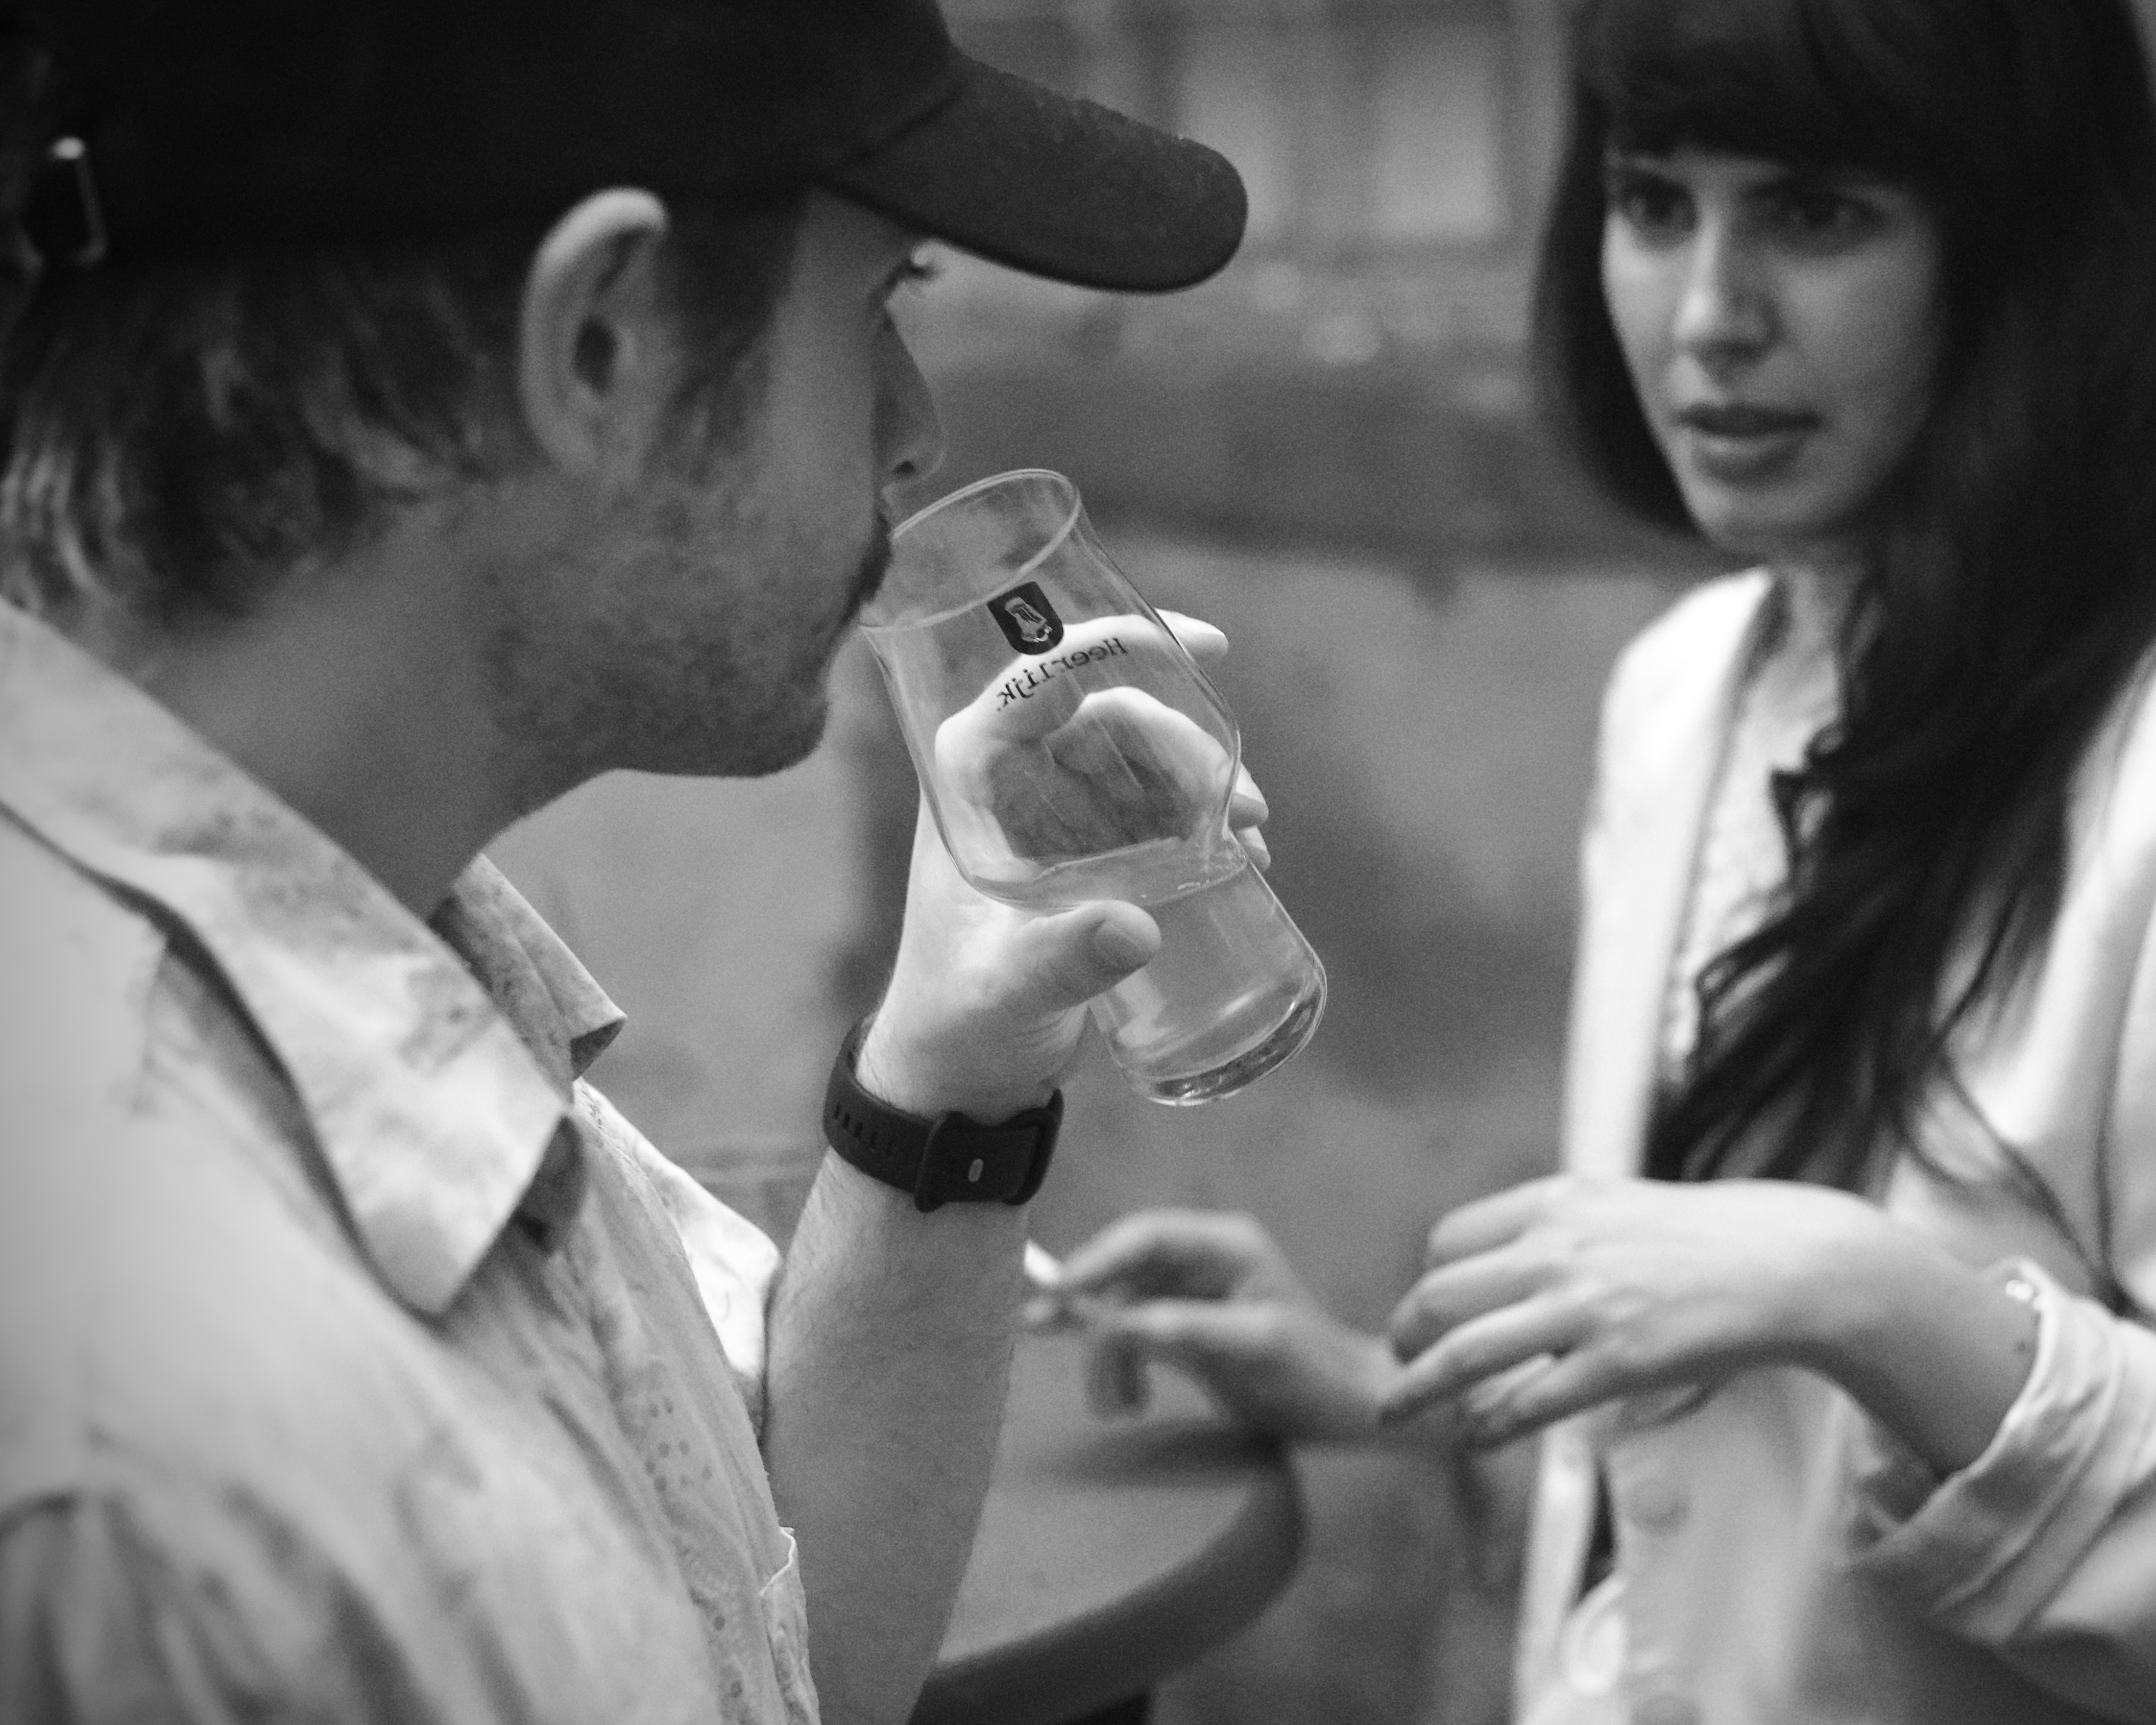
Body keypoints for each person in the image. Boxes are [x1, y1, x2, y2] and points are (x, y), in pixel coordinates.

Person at [1045, 2, 2156, 1722]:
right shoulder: (1686, 688)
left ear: (2023, 246)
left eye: (1816, 215)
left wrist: (1858, 1287)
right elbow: (1720, 1444)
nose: (1708, 313)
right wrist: (1383, 1380)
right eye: (1654, 202)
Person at [0, 4, 1257, 1722]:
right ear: (600, 343)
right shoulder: (176, 1475)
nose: (914, 427)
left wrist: (957, 1069)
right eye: (876, 303)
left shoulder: (366, 935)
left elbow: (750, 1651)